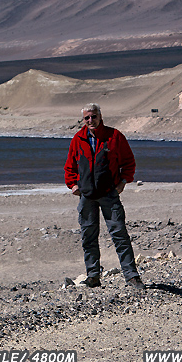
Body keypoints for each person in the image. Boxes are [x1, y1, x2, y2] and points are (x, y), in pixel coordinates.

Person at [64, 103, 144, 291]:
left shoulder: (114, 136)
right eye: (87, 118)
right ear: (83, 120)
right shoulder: (78, 139)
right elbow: (70, 166)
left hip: (109, 194)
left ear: (100, 116)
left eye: (93, 116)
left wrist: (123, 182)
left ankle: (131, 276)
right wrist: (73, 185)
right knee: (88, 236)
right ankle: (93, 276)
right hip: (87, 197)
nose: (91, 120)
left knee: (120, 235)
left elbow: (129, 162)